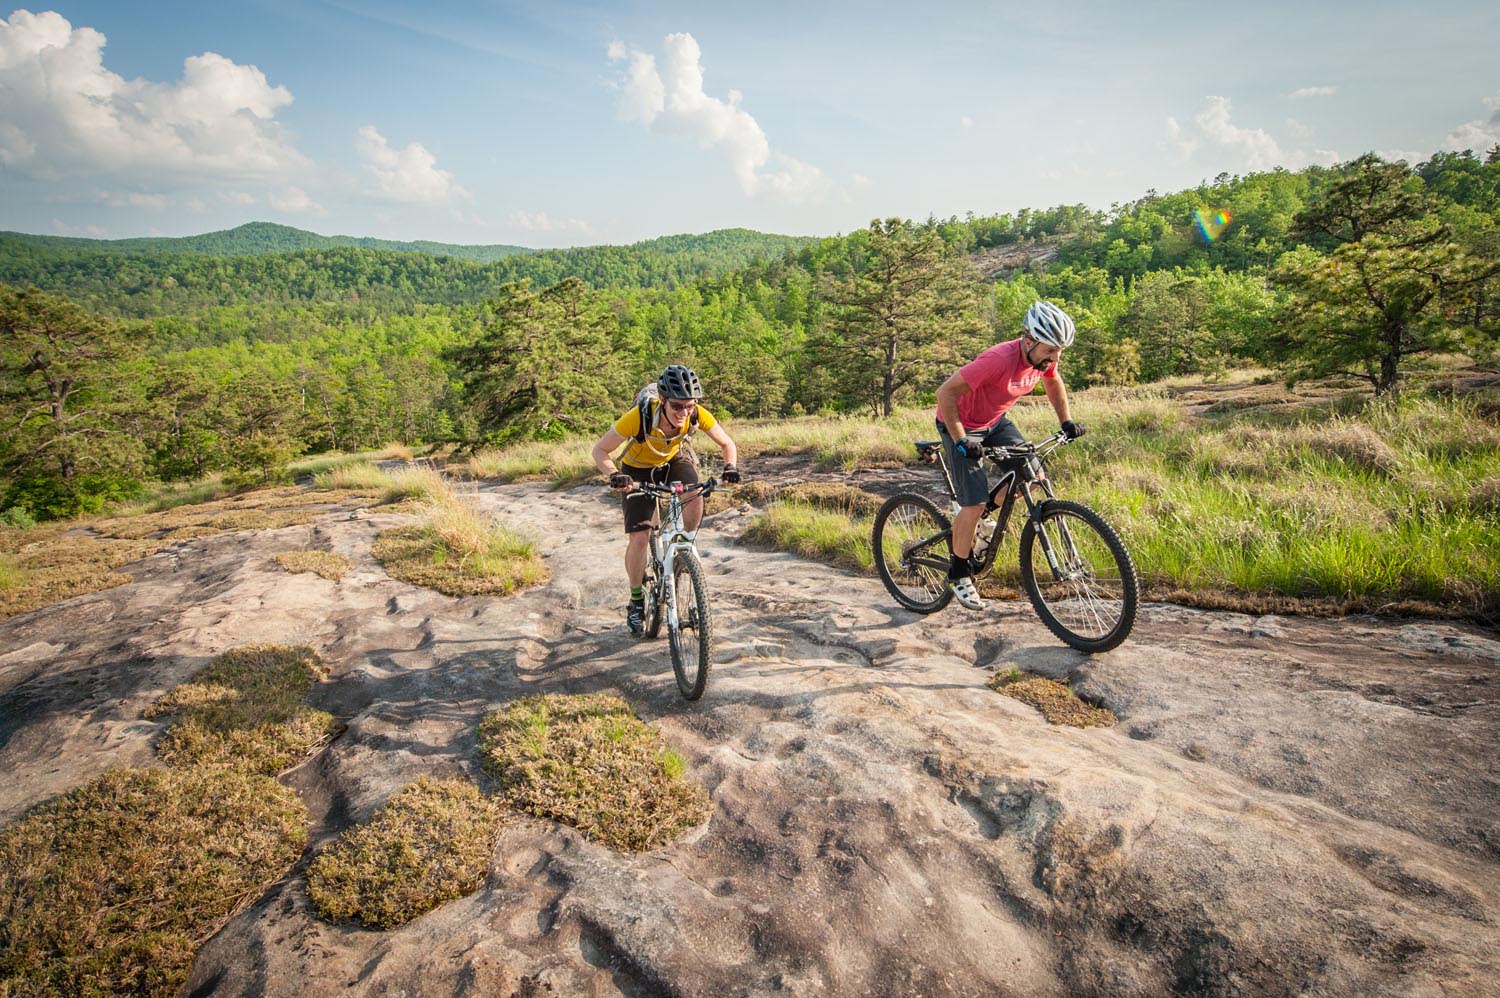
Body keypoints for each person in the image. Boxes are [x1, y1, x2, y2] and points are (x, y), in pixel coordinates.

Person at [933, 300, 1086, 611]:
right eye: (1050, 351)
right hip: (959, 424)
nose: (1055, 358)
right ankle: (960, 572)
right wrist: (962, 440)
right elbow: (945, 393)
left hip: (995, 421)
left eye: (1059, 351)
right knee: (972, 503)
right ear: (1029, 341)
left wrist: (1066, 421)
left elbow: (1053, 381)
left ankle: (978, 518)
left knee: (1034, 478)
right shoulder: (998, 360)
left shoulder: (1042, 359)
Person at [591, 364, 740, 635]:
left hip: (673, 459)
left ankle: (683, 549)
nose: (684, 413)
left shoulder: (696, 414)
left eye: (690, 406)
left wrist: (730, 467)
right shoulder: (639, 417)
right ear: (663, 400)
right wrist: (614, 475)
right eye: (677, 406)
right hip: (636, 469)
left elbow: (727, 443)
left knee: (695, 492)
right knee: (639, 536)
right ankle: (636, 601)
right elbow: (600, 450)